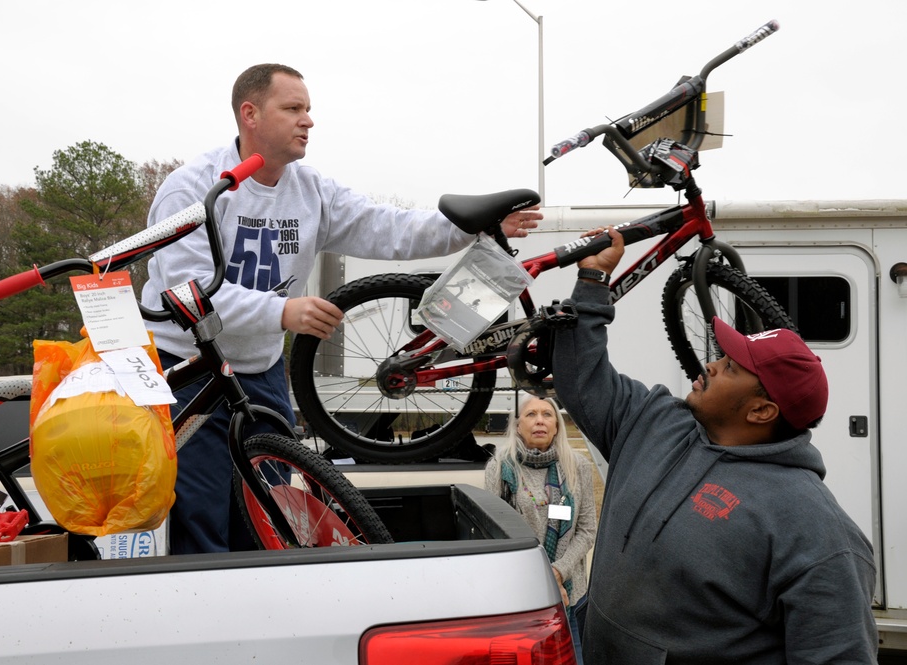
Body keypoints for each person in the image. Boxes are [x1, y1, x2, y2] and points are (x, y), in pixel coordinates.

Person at [140, 63, 542, 555]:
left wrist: (471, 227)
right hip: (189, 373)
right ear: (250, 114)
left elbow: (389, 228)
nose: (307, 120)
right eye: (292, 108)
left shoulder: (311, 191)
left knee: (267, 514)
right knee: (201, 518)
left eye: (308, 109)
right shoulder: (192, 189)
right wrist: (282, 313)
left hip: (259, 372)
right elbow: (185, 293)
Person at [550, 226, 879, 664]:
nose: (710, 365)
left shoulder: (817, 531)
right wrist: (592, 282)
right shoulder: (656, 421)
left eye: (730, 367)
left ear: (762, 411)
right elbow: (582, 380)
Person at [484, 394, 597, 663]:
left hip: (571, 594)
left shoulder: (577, 466)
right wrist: (542, 576)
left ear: (557, 425)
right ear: (517, 425)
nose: (540, 421)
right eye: (531, 414)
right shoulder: (500, 467)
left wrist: (559, 571)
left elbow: (587, 529)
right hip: (522, 593)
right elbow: (496, 534)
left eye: (547, 414)